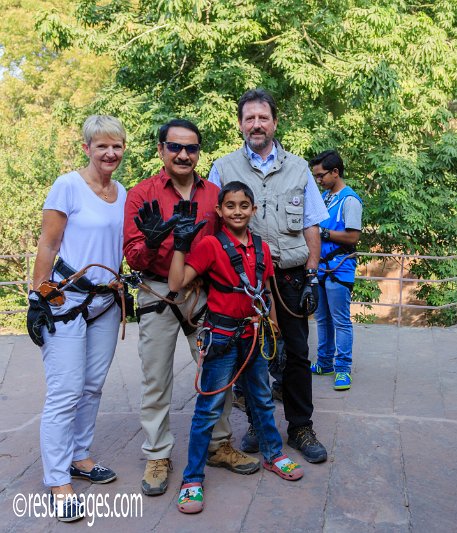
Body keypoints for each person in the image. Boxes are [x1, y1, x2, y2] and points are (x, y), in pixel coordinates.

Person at [124, 119, 258, 498]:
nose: (183, 154)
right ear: (161, 149)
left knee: (218, 370)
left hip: (202, 292)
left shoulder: (214, 194)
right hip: (157, 289)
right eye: (175, 147)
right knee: (156, 376)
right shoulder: (143, 194)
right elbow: (133, 256)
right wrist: (154, 244)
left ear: (199, 152)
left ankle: (218, 444)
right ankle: (157, 452)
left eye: (191, 148)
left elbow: (230, 240)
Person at [209, 88, 329, 464]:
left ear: (275, 122)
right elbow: (212, 225)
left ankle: (300, 427)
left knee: (296, 354)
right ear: (241, 124)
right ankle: (260, 426)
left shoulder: (298, 168)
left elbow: (312, 223)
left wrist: (312, 275)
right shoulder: (223, 168)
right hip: (243, 282)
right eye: (250, 118)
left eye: (263, 117)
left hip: (290, 278)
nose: (256, 124)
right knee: (248, 356)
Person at [168, 181, 303, 514]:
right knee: (208, 409)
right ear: (219, 210)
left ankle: (273, 454)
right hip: (222, 337)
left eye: (244, 205)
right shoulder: (211, 245)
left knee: (260, 398)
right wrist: (181, 244)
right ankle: (192, 479)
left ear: (253, 210)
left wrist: (273, 327)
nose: (238, 211)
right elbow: (175, 283)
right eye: (230, 205)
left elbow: (265, 290)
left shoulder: (260, 246)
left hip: (254, 334)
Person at [27, 115, 127, 522]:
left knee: (91, 386)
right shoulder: (67, 185)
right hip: (66, 300)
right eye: (101, 145)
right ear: (86, 147)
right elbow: (48, 243)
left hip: (106, 302)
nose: (109, 153)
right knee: (65, 391)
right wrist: (38, 294)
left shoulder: (122, 193)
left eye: (117, 146)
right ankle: (56, 479)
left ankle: (79, 456)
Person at [308, 150, 363, 391]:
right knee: (322, 318)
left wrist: (323, 233)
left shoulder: (350, 200)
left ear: (335, 172)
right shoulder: (325, 197)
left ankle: (343, 369)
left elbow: (353, 236)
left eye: (321, 176)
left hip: (339, 268)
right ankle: (324, 361)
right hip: (320, 267)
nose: (318, 180)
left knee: (340, 320)